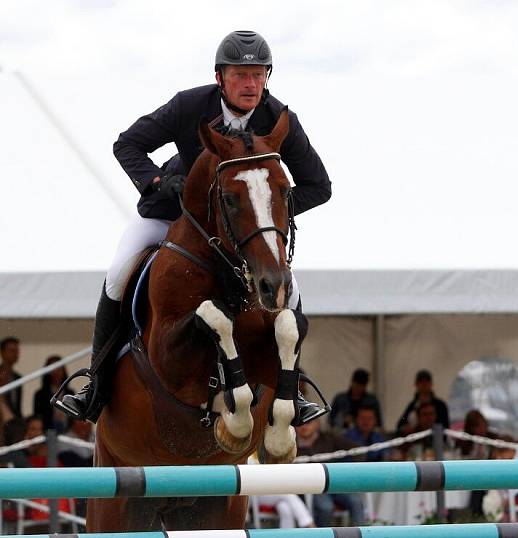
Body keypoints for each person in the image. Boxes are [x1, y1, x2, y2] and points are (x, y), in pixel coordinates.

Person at [58, 30, 331, 424]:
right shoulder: (190, 105)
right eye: (240, 74)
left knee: (290, 291)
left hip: (236, 230)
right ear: (220, 77)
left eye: (258, 74)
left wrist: (264, 216)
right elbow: (128, 144)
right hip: (170, 212)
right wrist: (156, 181)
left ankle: (293, 390)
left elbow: (318, 186)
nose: (250, 84)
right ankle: (96, 385)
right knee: (118, 275)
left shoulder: (279, 118)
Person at [295, 420, 365, 526]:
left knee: (356, 501)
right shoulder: (291, 443)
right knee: (325, 507)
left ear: (317, 423)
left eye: (308, 422)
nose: (304, 426)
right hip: (312, 487)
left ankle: (363, 533)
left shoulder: (329, 438)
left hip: (335, 482)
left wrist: (348, 471)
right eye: (299, 423)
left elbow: (358, 451)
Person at [396, 370, 449, 434]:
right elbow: (401, 423)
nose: (424, 384)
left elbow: (446, 427)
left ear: (431, 384)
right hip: (417, 440)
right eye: (421, 382)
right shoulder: (412, 405)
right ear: (416, 384)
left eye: (426, 381)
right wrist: (405, 428)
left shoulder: (440, 405)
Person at [33, 355, 69, 432]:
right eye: (53, 369)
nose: (56, 372)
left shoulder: (70, 393)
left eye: (59, 369)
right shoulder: (40, 395)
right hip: (48, 432)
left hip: (68, 432)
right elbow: (39, 417)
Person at [0, 336, 23, 418]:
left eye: (17, 351)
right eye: (12, 351)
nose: (16, 354)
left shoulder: (17, 377)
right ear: (2, 353)